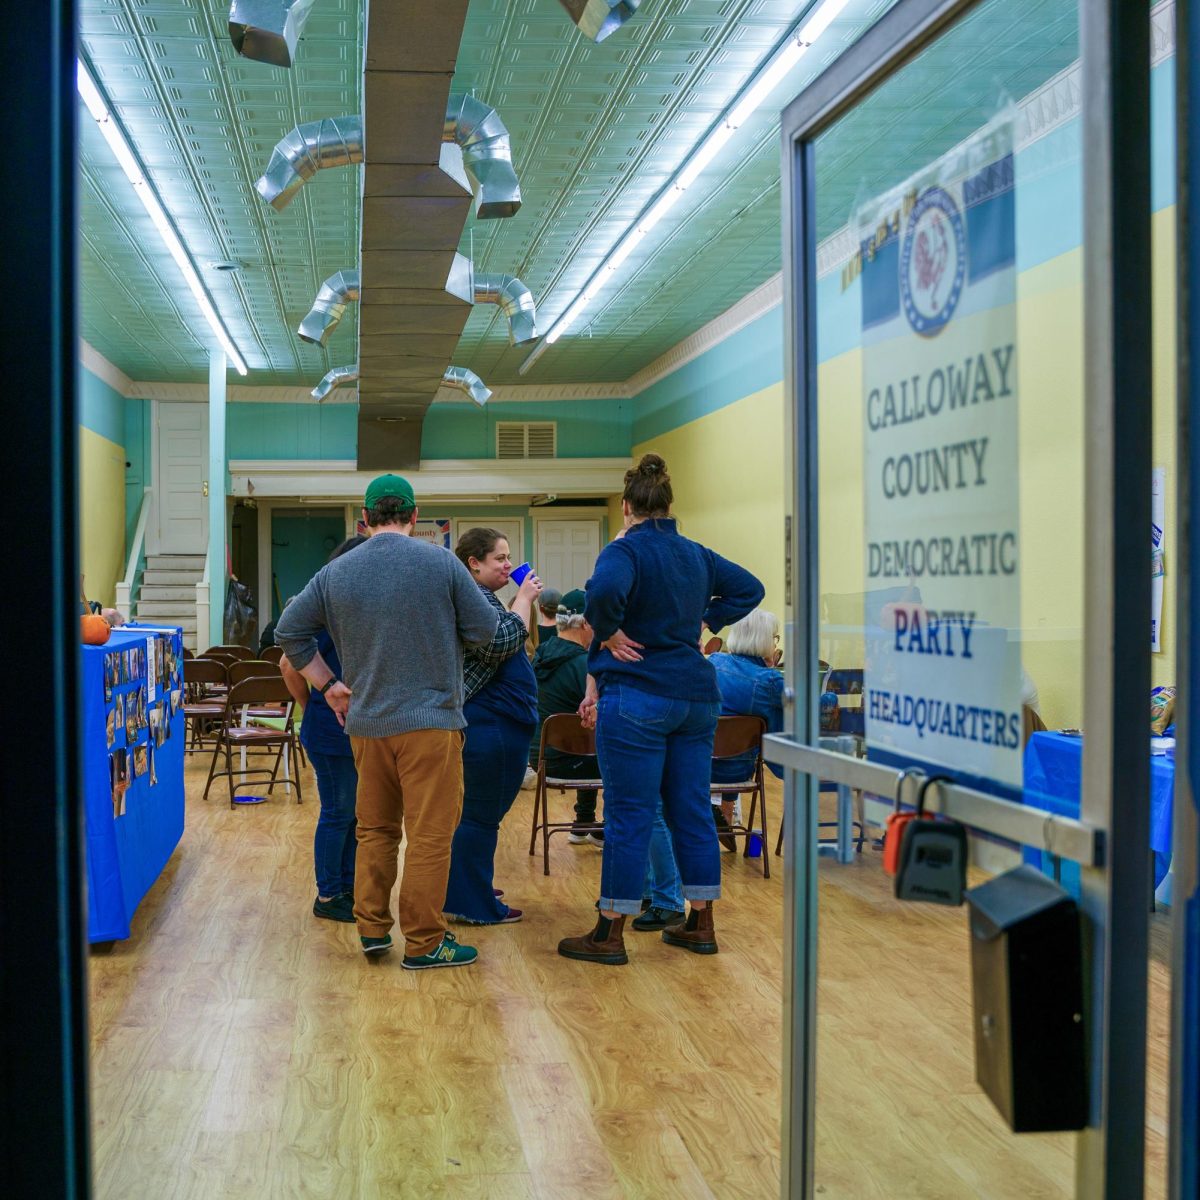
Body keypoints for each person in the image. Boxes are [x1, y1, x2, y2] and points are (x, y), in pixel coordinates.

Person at [274, 474, 499, 968]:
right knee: (430, 833)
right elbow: (484, 630)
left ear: (364, 519)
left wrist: (329, 685)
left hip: (366, 725)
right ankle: (424, 942)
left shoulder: (336, 572)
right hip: (430, 722)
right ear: (416, 518)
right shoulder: (440, 561)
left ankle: (371, 928)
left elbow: (288, 631)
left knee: (373, 830)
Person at [558, 453, 764, 965]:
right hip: (697, 699)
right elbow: (751, 589)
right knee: (690, 808)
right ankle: (700, 922)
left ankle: (609, 932)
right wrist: (704, 620)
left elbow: (602, 592)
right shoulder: (696, 554)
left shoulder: (624, 550)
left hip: (638, 697)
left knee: (629, 814)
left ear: (626, 506)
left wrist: (607, 631)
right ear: (670, 506)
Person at [443, 528, 543, 925]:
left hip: (500, 722)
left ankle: (471, 885)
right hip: (492, 724)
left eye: (508, 557)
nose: (508, 564)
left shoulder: (482, 598)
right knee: (480, 816)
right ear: (474, 563)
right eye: (500, 558)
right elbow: (500, 642)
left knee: (481, 814)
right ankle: (470, 902)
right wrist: (523, 599)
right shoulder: (474, 599)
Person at [279, 534, 366, 924]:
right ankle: (330, 893)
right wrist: (314, 702)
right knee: (339, 811)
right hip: (330, 732)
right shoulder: (325, 610)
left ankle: (347, 887)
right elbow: (287, 665)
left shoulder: (355, 609)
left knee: (355, 814)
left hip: (354, 730)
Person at [531, 588, 603, 845]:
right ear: (585, 623)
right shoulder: (586, 667)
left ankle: (583, 819)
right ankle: (615, 826)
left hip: (539, 758)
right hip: (574, 761)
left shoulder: (539, 655)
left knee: (585, 734)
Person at [709, 610, 785, 848]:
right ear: (763, 640)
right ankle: (721, 815)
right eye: (774, 638)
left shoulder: (713, 662)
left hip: (697, 765)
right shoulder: (770, 682)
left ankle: (717, 814)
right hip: (737, 772)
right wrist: (830, 698)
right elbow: (808, 702)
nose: (775, 643)